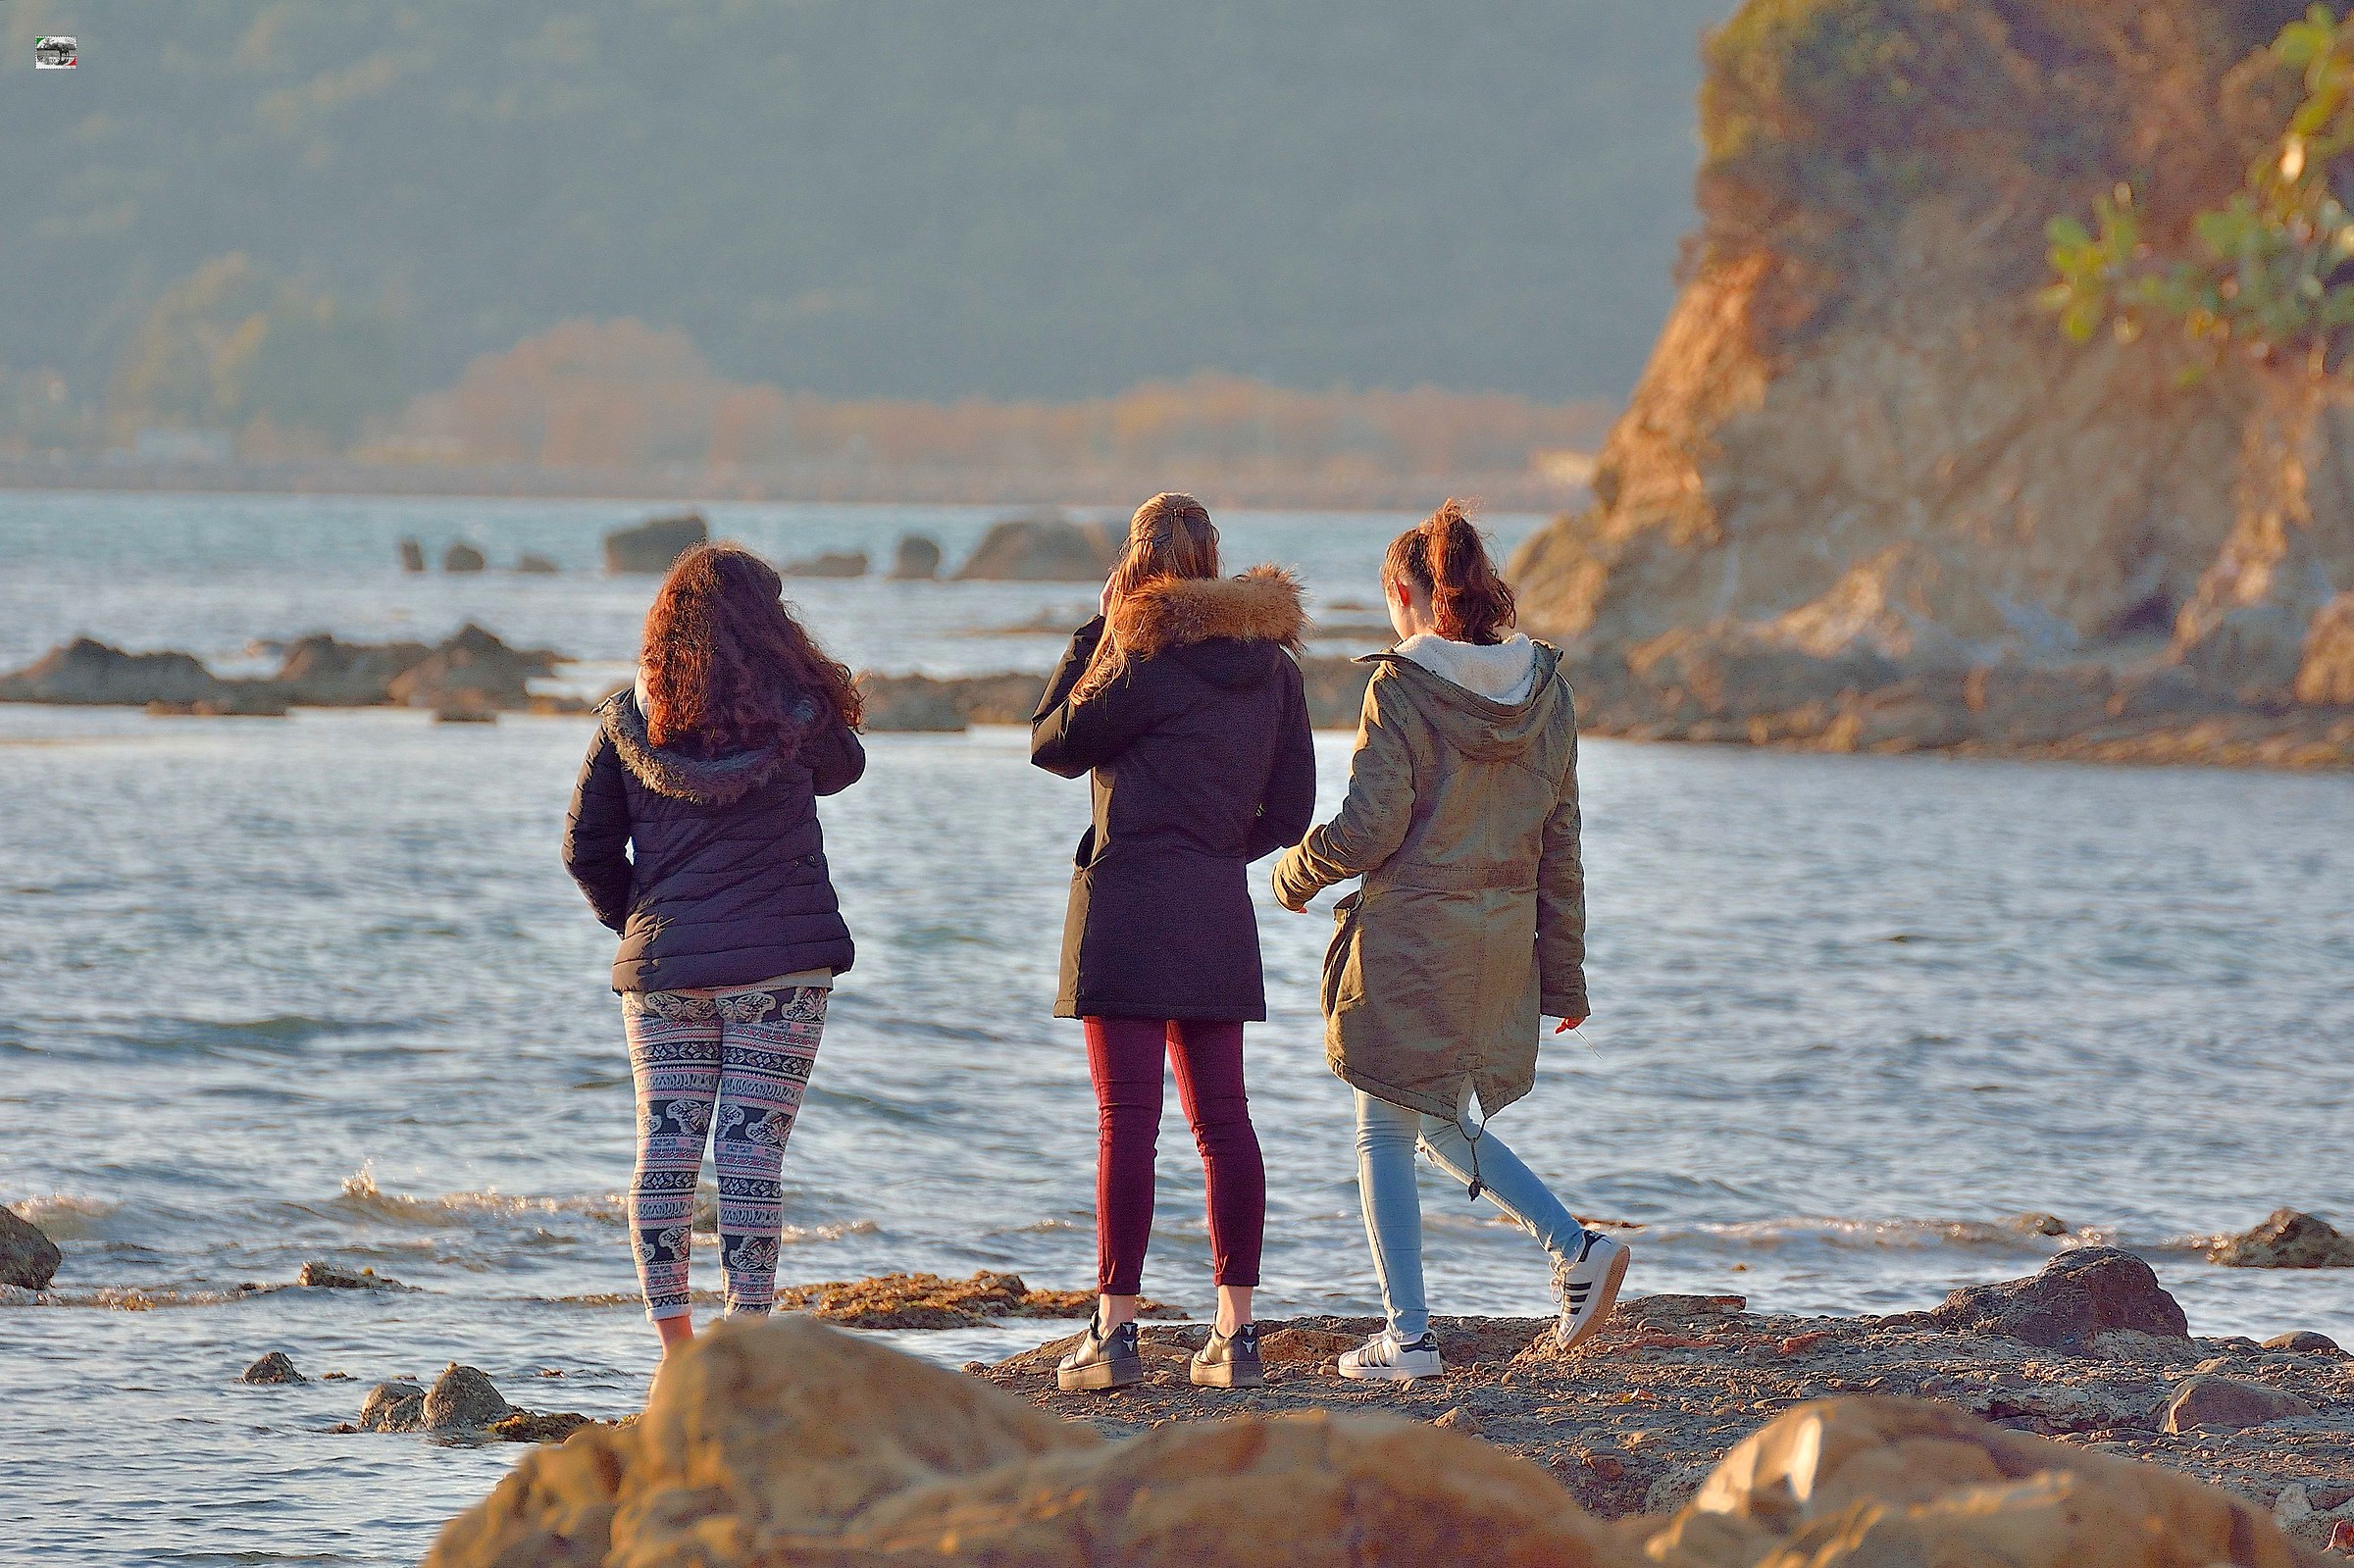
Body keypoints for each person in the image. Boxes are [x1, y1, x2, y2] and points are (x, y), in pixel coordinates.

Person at [1272, 500, 1627, 1381]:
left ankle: (1411, 1338)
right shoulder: (1548, 689)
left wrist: (1293, 874)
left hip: (1415, 935)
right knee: (1432, 1119)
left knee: (1381, 1128)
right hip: (1500, 939)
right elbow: (1562, 843)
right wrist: (1564, 976)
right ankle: (1573, 1246)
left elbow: (1366, 828)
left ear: (1406, 593)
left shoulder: (1401, 684)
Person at [1031, 492, 1317, 1392]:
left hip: (1125, 910)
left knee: (1129, 1124)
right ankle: (1235, 1337)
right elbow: (1296, 811)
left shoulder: (1138, 657)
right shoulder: (1274, 669)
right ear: (1216, 564)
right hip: (1214, 911)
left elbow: (1053, 740)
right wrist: (1220, 849)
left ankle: (1114, 1339)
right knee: (1224, 1121)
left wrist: (1098, 628)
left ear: (1139, 570)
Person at [563, 543, 865, 1358]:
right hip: (782, 971)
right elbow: (849, 767)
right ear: (767, 627)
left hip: (666, 973)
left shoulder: (627, 721)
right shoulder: (798, 718)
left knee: (664, 1151)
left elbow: (584, 848)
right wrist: (800, 678)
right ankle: (744, 1351)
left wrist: (650, 924)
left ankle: (675, 1355)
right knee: (747, 1154)